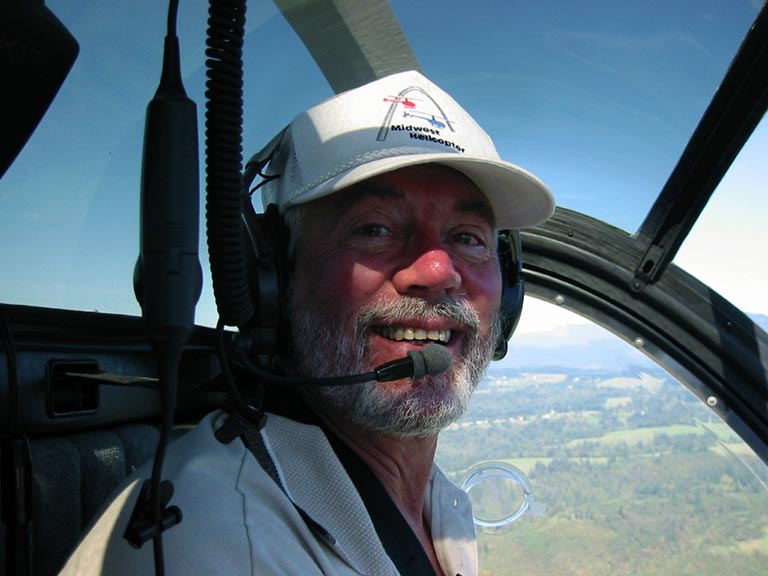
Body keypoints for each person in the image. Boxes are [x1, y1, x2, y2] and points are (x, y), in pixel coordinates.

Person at [60, 70, 554, 575]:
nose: (437, 270)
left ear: (508, 290)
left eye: (468, 237)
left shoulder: (432, 499)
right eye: (375, 228)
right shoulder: (223, 546)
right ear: (274, 274)